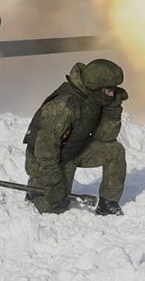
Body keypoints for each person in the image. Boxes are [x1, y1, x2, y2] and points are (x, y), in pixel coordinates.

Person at [23, 59, 128, 216]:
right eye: (108, 90)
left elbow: (105, 136)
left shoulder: (95, 98)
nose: (112, 94)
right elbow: (45, 152)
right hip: (48, 161)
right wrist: (54, 183)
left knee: (115, 151)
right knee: (54, 208)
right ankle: (36, 184)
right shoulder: (63, 106)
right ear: (95, 87)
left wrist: (112, 111)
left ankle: (108, 203)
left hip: (74, 150)